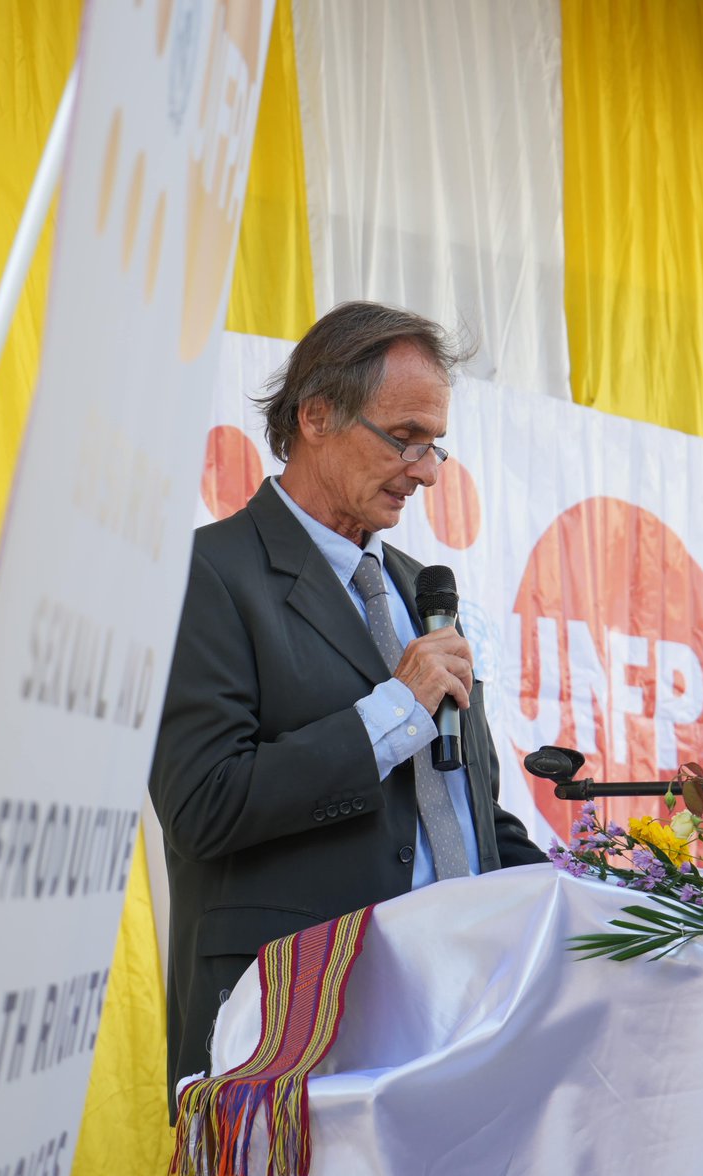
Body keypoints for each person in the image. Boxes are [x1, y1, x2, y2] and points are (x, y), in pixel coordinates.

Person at [149, 301, 546, 1123]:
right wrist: (392, 710)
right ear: (317, 415)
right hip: (292, 1033)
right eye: (404, 437)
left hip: (455, 1022)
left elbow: (462, 813)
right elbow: (202, 806)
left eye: (434, 444)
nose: (427, 469)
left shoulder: (420, 590)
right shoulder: (206, 575)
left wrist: (600, 899)